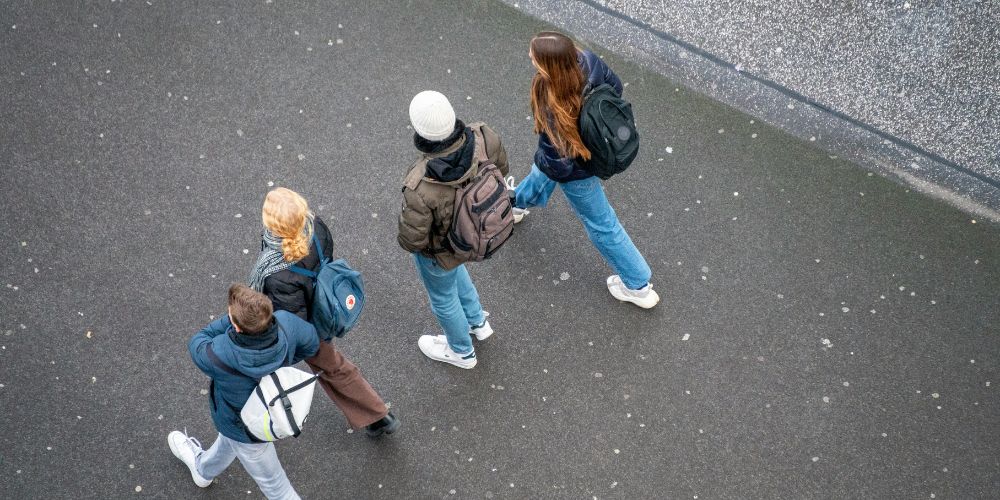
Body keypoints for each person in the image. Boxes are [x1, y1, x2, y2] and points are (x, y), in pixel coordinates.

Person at [507, 31, 660, 309]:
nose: (529, 56)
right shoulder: (587, 60)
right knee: (542, 171)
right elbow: (615, 87)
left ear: (548, 66)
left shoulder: (551, 99)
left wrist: (552, 160)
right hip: (589, 153)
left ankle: (638, 285)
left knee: (602, 225)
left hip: (576, 170)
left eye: (534, 56)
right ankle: (516, 203)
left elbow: (557, 163)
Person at [248, 187, 399, 436]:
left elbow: (290, 321)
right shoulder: (315, 226)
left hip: (306, 326)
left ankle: (254, 414)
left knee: (255, 363)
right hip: (323, 309)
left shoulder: (277, 273)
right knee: (335, 367)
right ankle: (378, 415)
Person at [168, 283, 318, 499]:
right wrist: (281, 365)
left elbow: (198, 340)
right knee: (230, 441)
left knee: (277, 488)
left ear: (237, 327)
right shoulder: (286, 323)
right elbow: (311, 343)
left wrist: (232, 319)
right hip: (273, 408)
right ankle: (202, 469)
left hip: (244, 424)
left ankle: (202, 469)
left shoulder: (219, 353)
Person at [398, 90, 509, 369]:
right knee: (457, 274)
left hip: (442, 250)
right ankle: (477, 322)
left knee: (443, 298)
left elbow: (412, 239)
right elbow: (502, 170)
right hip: (474, 235)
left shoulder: (421, 183)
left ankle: (461, 351)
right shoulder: (484, 136)